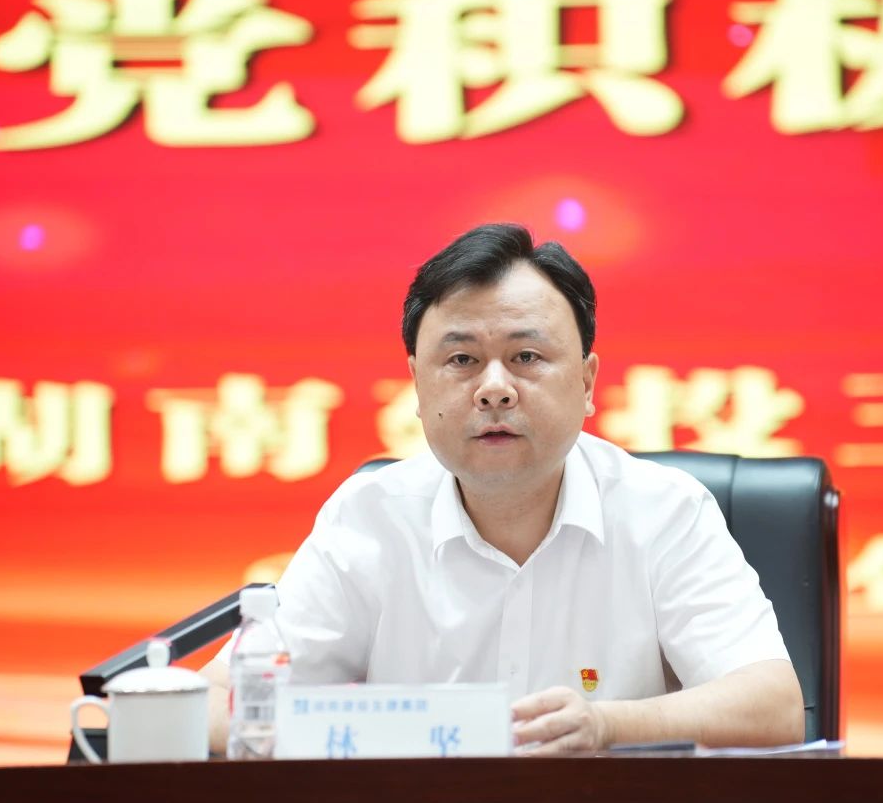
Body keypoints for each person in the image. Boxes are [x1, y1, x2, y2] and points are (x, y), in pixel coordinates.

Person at [201, 223, 803, 754]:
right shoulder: (371, 518)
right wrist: (369, 736)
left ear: (587, 383)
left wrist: (606, 726)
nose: (494, 389)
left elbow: (773, 706)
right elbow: (216, 704)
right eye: (462, 360)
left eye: (527, 356)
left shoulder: (664, 510)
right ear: (417, 386)